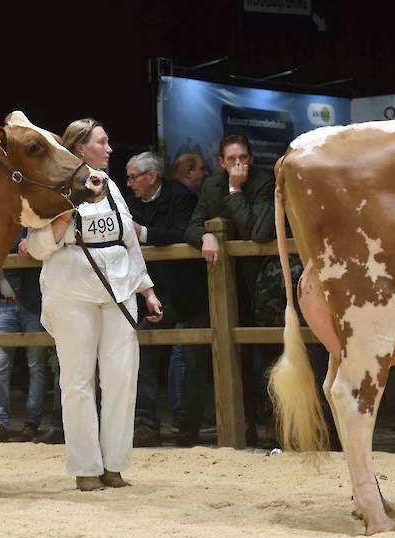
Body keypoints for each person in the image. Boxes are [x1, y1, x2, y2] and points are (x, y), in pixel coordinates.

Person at [28, 118, 163, 491]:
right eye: (102, 143)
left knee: (122, 376)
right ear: (80, 149)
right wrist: (67, 214)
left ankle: (114, 464)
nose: (109, 149)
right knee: (78, 379)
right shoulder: (55, 188)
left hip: (118, 290)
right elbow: (36, 247)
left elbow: (128, 241)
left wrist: (146, 289)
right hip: (71, 289)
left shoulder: (113, 186)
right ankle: (86, 467)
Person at [183, 134, 281, 447]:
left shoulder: (265, 181)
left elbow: (258, 232)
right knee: (237, 356)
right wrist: (206, 237)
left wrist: (236, 190)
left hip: (266, 283)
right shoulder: (212, 185)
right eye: (231, 160)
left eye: (243, 158)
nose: (238, 164)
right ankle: (247, 422)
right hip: (229, 285)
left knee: (270, 355)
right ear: (221, 163)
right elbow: (192, 225)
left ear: (251, 159)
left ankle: (274, 422)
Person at [123, 151, 203, 447]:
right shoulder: (130, 204)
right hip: (152, 294)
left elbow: (183, 233)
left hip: (188, 292)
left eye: (132, 177)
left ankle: (187, 427)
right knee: (144, 356)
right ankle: (146, 425)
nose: (129, 183)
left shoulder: (181, 196)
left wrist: (142, 232)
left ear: (151, 176)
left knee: (190, 361)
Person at [0, 230, 50, 443]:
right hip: (4, 303)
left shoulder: (32, 223)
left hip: (32, 302)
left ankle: (31, 423)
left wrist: (29, 244)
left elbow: (40, 246)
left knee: (37, 365)